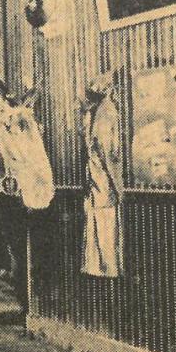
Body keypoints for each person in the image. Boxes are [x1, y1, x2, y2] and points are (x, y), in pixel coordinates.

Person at [80, 73, 123, 277]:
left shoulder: (95, 113)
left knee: (99, 230)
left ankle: (101, 270)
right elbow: (108, 153)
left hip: (95, 182)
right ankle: (109, 274)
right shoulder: (107, 112)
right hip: (104, 184)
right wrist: (119, 187)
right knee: (107, 232)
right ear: (111, 90)